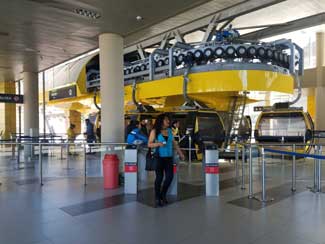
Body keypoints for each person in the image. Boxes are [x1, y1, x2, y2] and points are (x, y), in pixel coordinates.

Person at [148, 114, 185, 207]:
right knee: (159, 178)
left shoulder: (169, 131)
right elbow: (149, 144)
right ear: (161, 121)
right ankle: (157, 197)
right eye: (166, 120)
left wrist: (180, 154)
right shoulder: (154, 131)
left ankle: (162, 194)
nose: (168, 121)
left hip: (169, 157)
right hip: (159, 157)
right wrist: (158, 144)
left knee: (170, 177)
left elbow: (174, 144)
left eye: (168, 120)